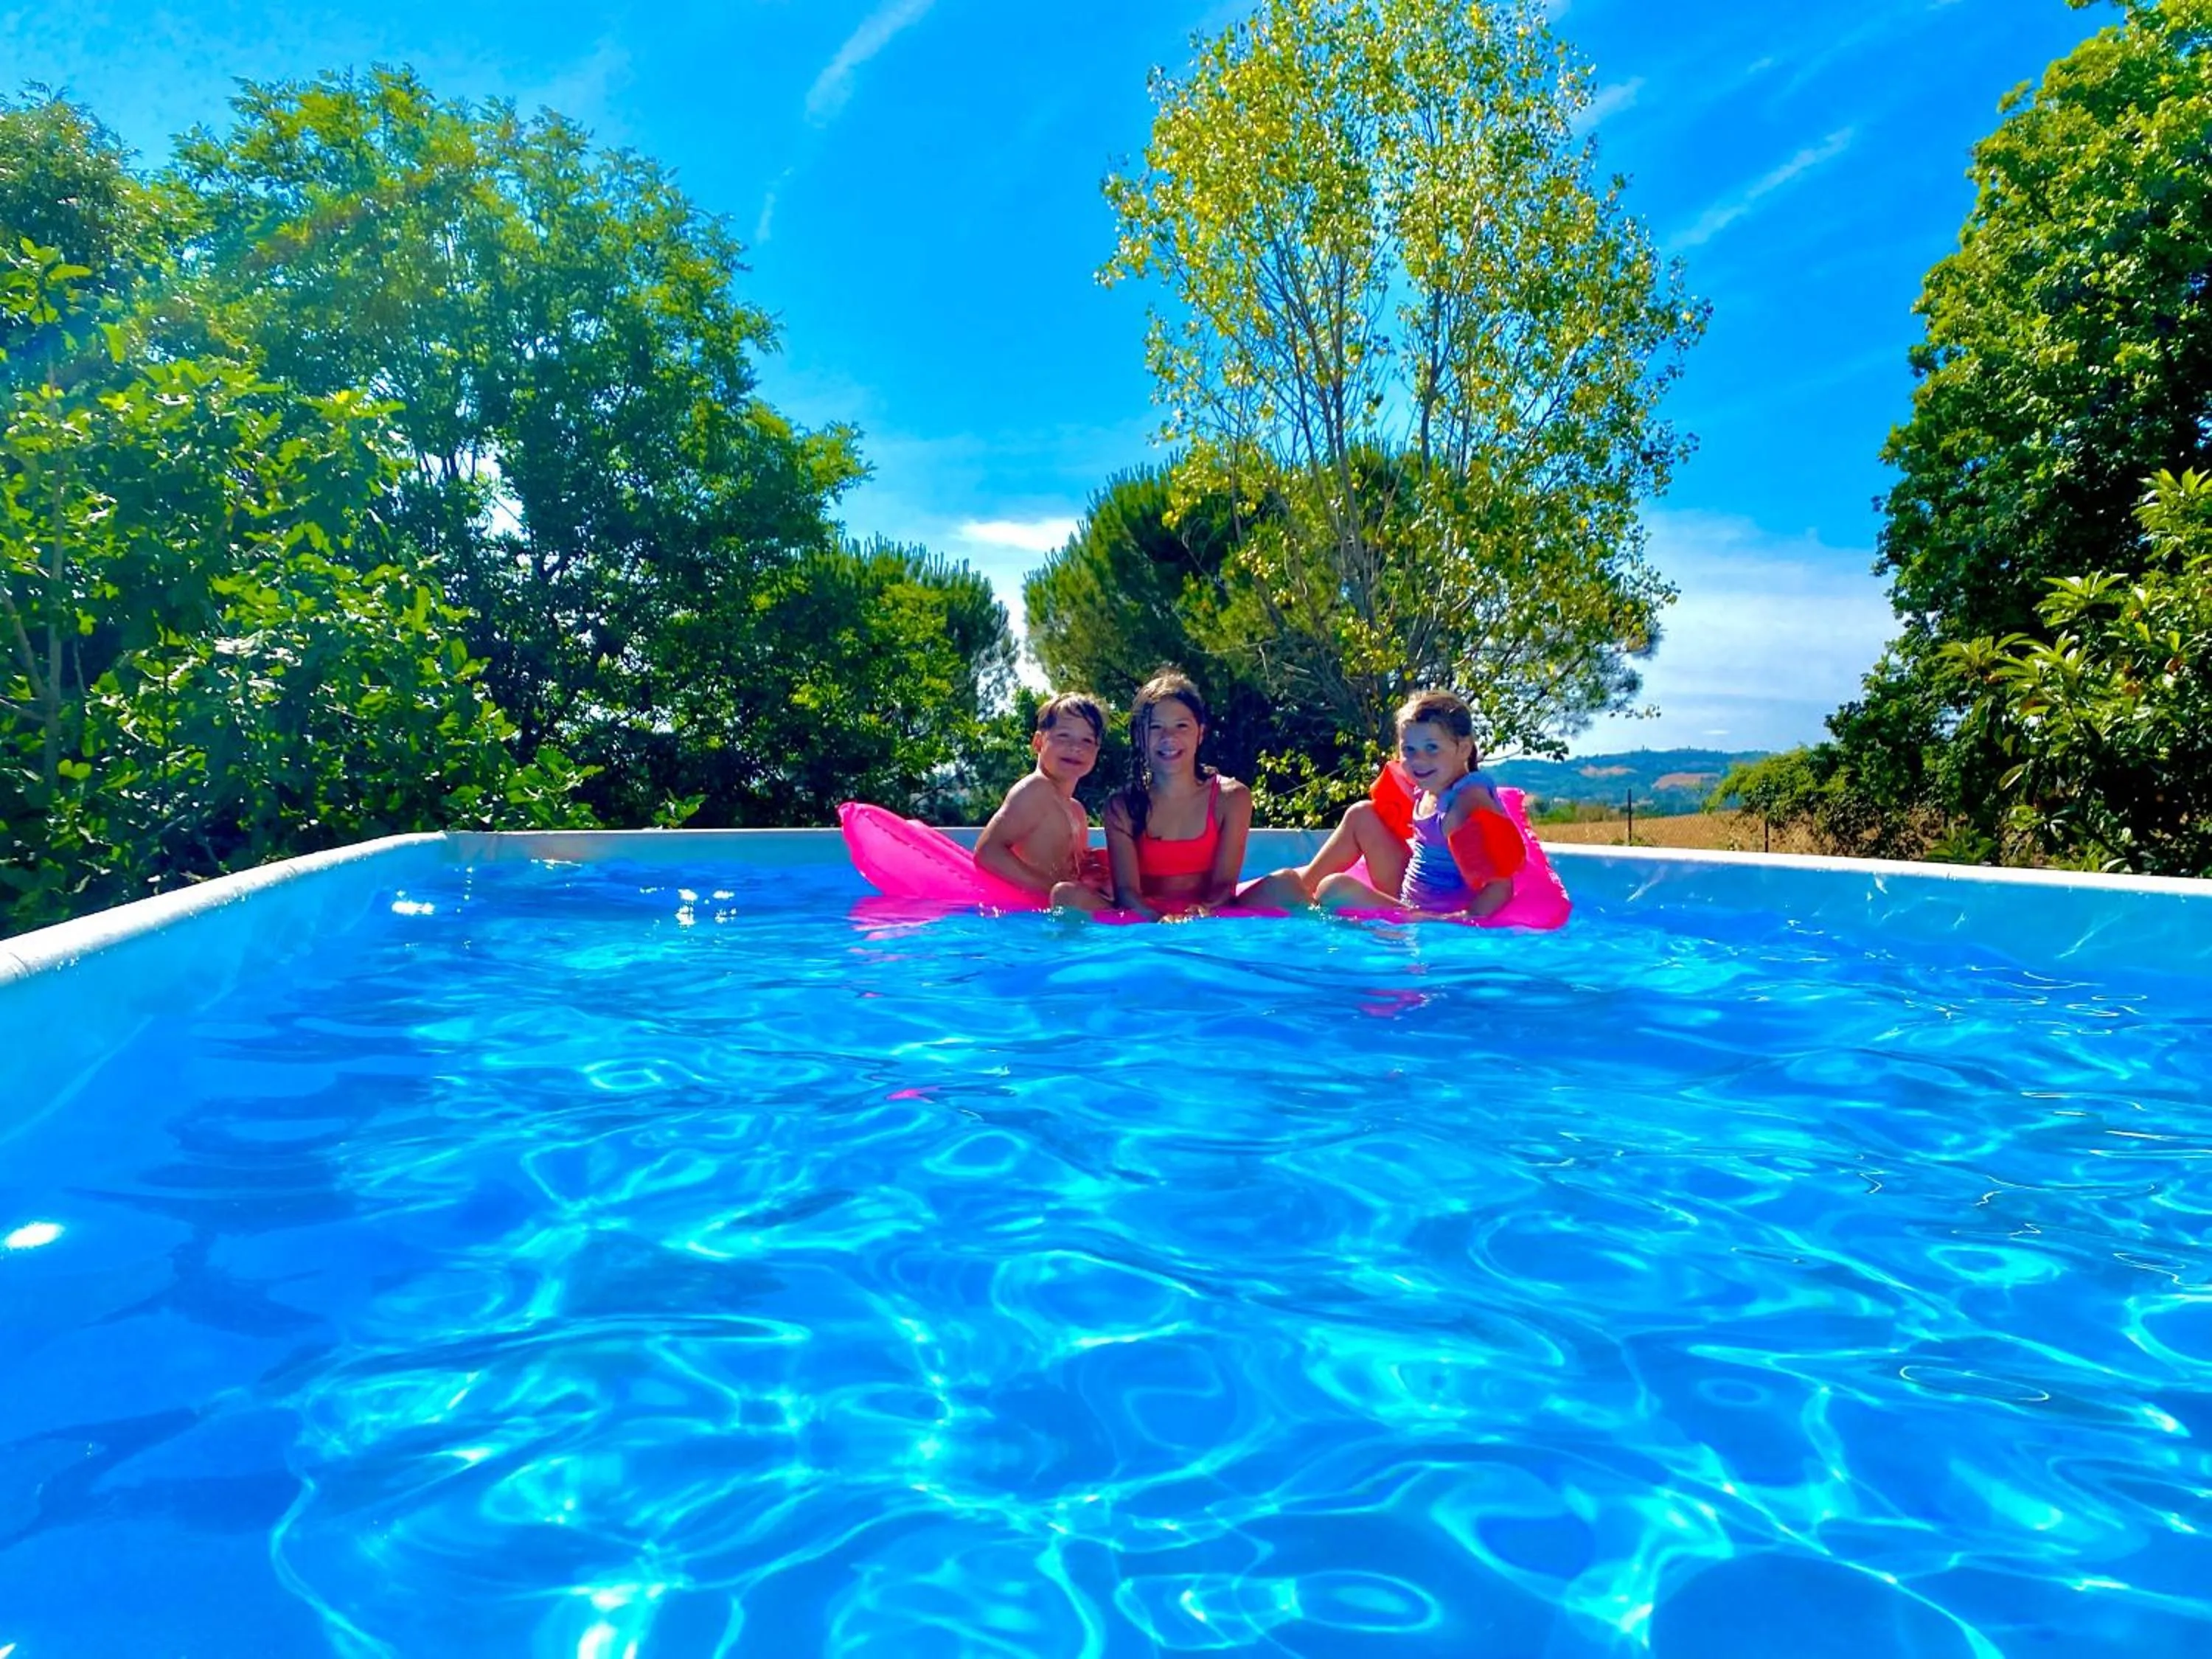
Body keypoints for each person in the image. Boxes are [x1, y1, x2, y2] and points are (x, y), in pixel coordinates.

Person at [1050, 670, 1303, 919]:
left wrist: (1199, 916)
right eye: (1155, 727)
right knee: (1066, 895)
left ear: (1200, 733)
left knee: (1287, 883)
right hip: (1144, 915)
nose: (1168, 737)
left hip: (1212, 911)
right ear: (1139, 737)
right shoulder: (1122, 807)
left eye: (1181, 726)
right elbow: (1127, 893)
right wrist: (1158, 922)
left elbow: (1224, 887)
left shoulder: (1231, 798)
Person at [1298, 688, 1521, 919]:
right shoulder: (1432, 786)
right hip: (1410, 895)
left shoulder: (1466, 803)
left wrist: (1460, 921)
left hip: (1433, 917)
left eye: (1432, 748)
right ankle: (1298, 889)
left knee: (1333, 890)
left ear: (1464, 748)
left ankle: (1293, 900)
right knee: (1362, 815)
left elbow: (1500, 886)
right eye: (1409, 750)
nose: (1418, 760)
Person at [973, 693, 1109, 900]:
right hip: (1028, 912)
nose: (1076, 747)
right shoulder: (1036, 789)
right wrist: (1051, 891)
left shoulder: (1077, 811)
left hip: (1050, 916)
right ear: (1038, 743)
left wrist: (1091, 874)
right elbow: (988, 852)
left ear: (1096, 752)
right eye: (1064, 736)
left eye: (1087, 740)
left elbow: (1066, 872)